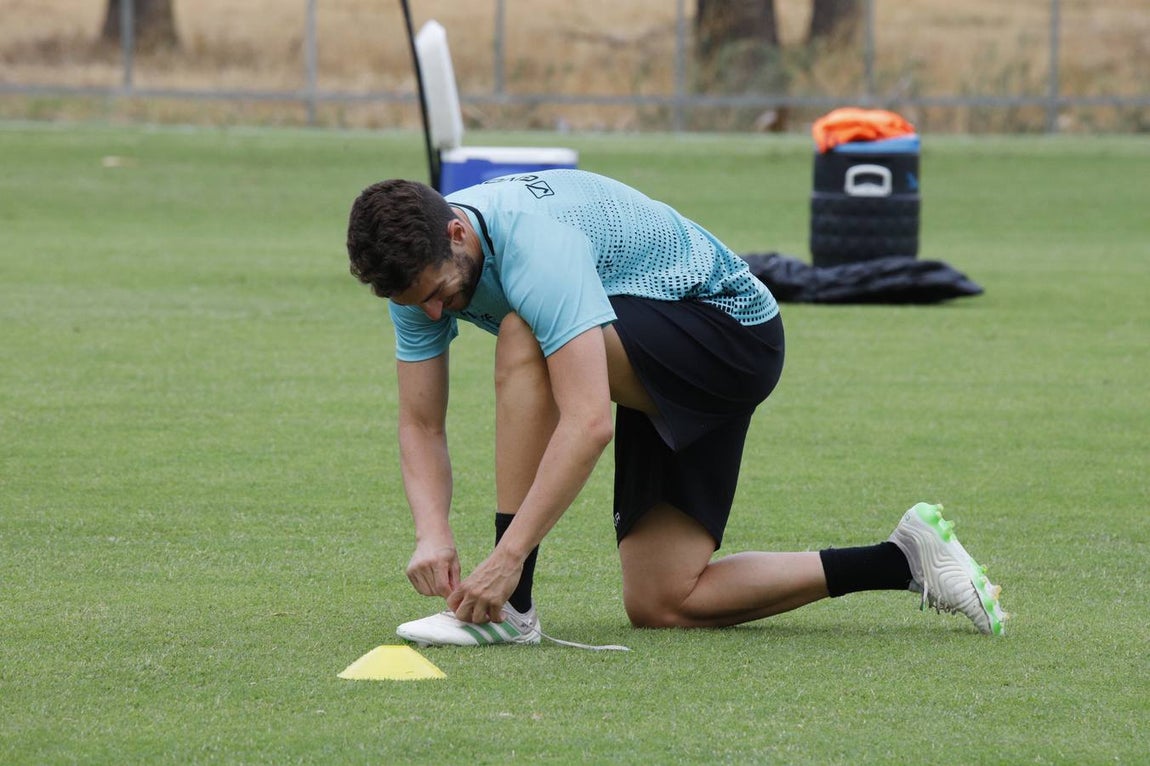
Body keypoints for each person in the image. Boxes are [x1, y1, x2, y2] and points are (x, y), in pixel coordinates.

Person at [345, 169, 1007, 645]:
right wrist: (431, 530)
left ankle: (511, 611)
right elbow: (420, 422)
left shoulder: (534, 249)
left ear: (457, 233)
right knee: (665, 600)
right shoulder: (419, 278)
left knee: (522, 331)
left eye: (438, 292)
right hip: (642, 347)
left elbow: (587, 423)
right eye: (414, 303)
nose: (433, 313)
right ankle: (906, 559)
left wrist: (508, 559)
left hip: (729, 333)